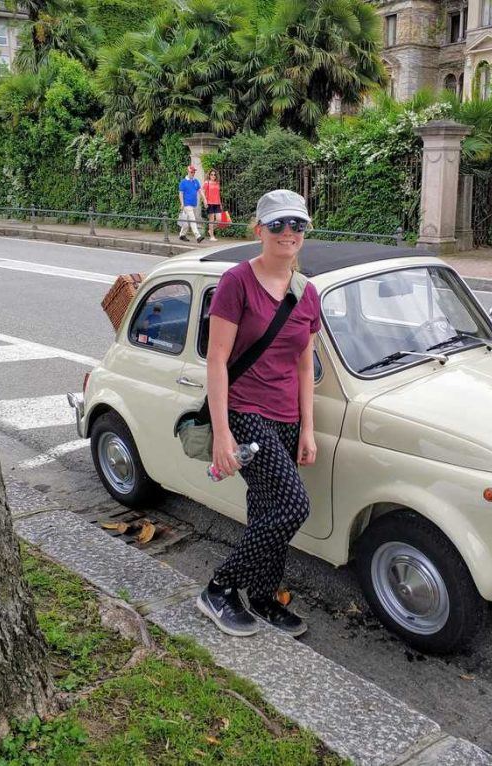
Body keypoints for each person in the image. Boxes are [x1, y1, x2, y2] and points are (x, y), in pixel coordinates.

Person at [196, 189, 321, 639]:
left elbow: (305, 364)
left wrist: (307, 428)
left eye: (297, 225)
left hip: (287, 417)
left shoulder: (307, 293)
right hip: (247, 412)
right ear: (259, 231)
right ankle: (220, 587)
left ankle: (263, 596)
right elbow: (216, 360)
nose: (288, 233)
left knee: (268, 508)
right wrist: (222, 434)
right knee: (292, 506)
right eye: (278, 225)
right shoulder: (237, 282)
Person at [178, 165, 205, 243]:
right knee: (193, 219)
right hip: (187, 205)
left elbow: (200, 191)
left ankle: (182, 235)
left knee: (186, 223)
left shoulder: (195, 181)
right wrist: (182, 203)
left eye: (194, 172)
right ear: (188, 172)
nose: (193, 173)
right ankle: (198, 236)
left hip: (194, 204)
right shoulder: (183, 182)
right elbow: (181, 194)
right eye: (192, 172)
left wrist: (205, 199)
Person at [202, 169, 223, 242]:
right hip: (210, 203)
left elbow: (218, 195)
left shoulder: (217, 183)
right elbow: (203, 193)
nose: (213, 176)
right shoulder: (206, 183)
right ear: (209, 175)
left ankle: (210, 230)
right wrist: (205, 202)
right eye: (211, 174)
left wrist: (220, 204)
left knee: (219, 220)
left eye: (214, 174)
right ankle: (212, 236)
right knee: (211, 220)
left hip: (217, 203)